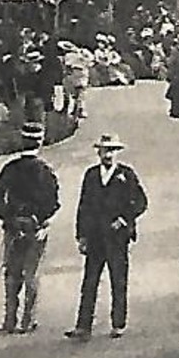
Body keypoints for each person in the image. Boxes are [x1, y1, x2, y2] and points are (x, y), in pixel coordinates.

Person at [66, 133, 148, 342]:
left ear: (117, 152)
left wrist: (124, 219)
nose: (108, 154)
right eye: (104, 150)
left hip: (117, 237)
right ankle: (83, 325)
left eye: (112, 150)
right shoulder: (91, 175)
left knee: (118, 279)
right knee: (90, 281)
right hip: (95, 237)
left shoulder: (126, 175)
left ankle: (118, 323)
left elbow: (140, 202)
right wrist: (81, 235)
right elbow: (83, 206)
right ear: (98, 153)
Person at [0, 118, 60, 334]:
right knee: (32, 273)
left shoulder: (10, 169)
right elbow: (54, 203)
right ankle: (28, 320)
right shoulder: (45, 171)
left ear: (21, 141)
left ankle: (10, 319)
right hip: (36, 228)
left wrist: (8, 218)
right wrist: (40, 220)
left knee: (12, 273)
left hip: (13, 226)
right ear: (40, 142)